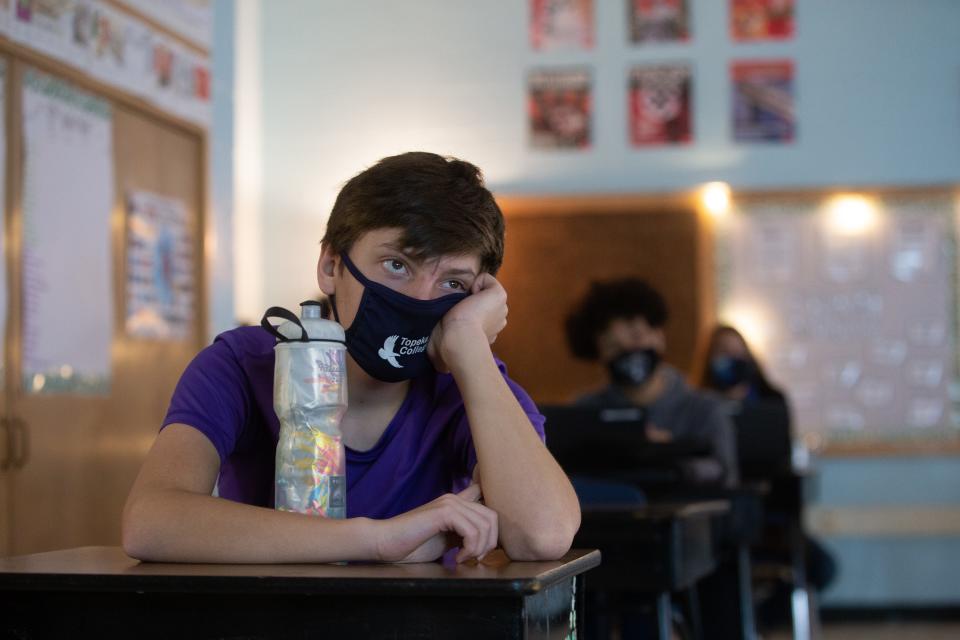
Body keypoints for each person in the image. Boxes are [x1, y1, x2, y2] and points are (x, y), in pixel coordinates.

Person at [122, 152, 581, 565]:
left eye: (452, 284)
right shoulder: (243, 365)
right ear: (331, 266)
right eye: (398, 265)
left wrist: (469, 347)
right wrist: (378, 541)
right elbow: (151, 521)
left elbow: (542, 535)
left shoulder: (474, 388)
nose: (420, 299)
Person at [698, 324, 837, 628]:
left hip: (770, 520)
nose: (731, 360)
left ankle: (752, 623)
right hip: (717, 521)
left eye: (737, 353)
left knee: (822, 568)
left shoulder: (771, 401)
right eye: (723, 353)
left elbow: (782, 459)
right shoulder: (699, 406)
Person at [564, 277, 738, 487]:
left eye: (637, 336)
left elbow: (724, 474)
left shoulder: (705, 409)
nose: (629, 350)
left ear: (659, 336)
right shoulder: (584, 412)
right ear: (598, 355)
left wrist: (667, 454)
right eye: (614, 347)